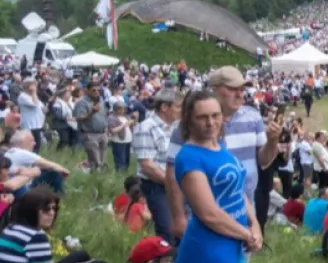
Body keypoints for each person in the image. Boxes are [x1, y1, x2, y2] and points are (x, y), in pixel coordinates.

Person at [172, 90, 262, 263]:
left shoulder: (218, 147)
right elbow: (208, 213)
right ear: (189, 119)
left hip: (234, 242)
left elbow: (239, 191)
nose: (210, 123)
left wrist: (255, 224)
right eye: (202, 117)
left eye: (215, 115)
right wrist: (247, 233)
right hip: (211, 248)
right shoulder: (189, 157)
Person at [166, 67, 280, 243]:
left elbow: (263, 162)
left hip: (243, 208)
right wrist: (178, 216)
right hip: (202, 216)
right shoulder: (188, 127)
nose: (240, 94)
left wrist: (272, 142)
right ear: (214, 89)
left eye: (242, 89)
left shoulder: (253, 117)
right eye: (233, 89)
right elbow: (172, 174)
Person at [132, 88, 181, 243]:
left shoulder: (176, 128)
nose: (181, 111)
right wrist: (170, 183)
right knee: (167, 231)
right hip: (157, 186)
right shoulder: (146, 127)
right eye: (178, 106)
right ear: (164, 107)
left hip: (176, 186)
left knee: (181, 229)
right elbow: (147, 165)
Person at [5, 129, 71, 193]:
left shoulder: (10, 152)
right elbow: (48, 164)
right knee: (55, 173)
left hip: (12, 183)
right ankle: (60, 194)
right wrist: (64, 170)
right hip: (22, 185)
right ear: (23, 142)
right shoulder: (22, 152)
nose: (35, 143)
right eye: (32, 141)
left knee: (44, 170)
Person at [74, 80, 109, 172]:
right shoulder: (82, 103)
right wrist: (92, 112)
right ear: (87, 90)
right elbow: (79, 118)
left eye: (99, 90)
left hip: (102, 133)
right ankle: (93, 176)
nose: (97, 92)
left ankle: (99, 177)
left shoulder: (101, 100)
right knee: (95, 160)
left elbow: (104, 115)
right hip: (90, 134)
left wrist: (106, 128)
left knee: (102, 160)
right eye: (94, 90)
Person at [108, 101, 135, 172]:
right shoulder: (112, 118)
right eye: (121, 109)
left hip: (128, 141)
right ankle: (120, 174)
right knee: (120, 160)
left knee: (127, 159)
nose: (123, 110)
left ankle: (125, 173)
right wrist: (124, 124)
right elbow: (112, 130)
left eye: (124, 109)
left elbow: (131, 126)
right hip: (118, 141)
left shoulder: (126, 116)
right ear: (116, 109)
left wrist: (134, 121)